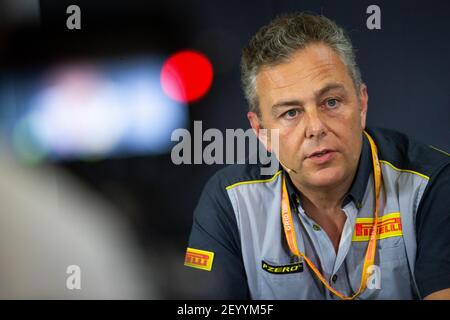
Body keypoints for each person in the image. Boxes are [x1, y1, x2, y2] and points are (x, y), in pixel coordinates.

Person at [184, 12, 450, 300]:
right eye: (291, 113)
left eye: (331, 102)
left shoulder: (432, 184)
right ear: (261, 131)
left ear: (361, 104)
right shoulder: (229, 201)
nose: (315, 128)